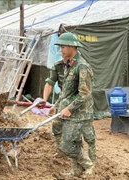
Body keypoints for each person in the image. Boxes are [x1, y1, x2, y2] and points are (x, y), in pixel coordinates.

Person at [49, 32, 96, 178]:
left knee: (67, 144)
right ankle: (75, 172)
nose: (61, 50)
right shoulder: (69, 65)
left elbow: (84, 93)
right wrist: (57, 104)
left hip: (79, 114)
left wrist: (69, 108)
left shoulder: (82, 67)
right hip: (70, 111)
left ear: (72, 47)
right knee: (73, 142)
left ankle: (89, 165)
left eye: (63, 46)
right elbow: (66, 92)